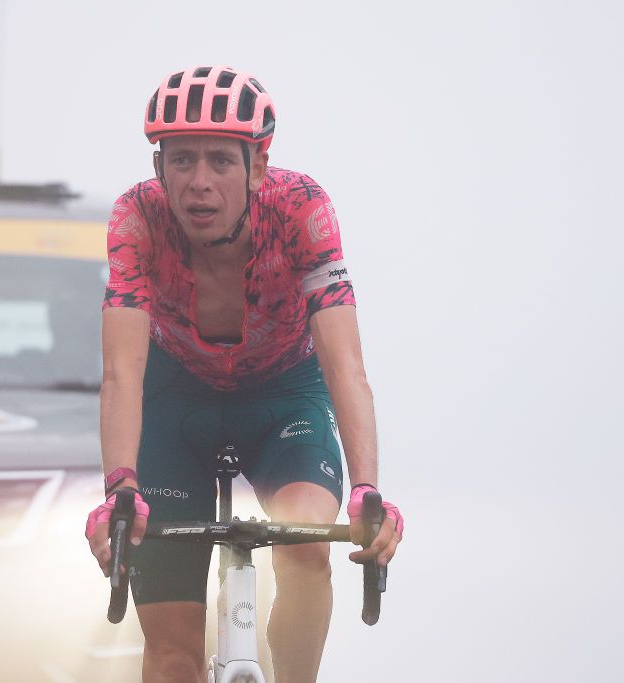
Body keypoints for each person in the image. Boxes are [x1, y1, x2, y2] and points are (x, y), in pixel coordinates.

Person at [86, 65, 404, 683]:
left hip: (284, 398)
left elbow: (345, 363)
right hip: (176, 404)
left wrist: (367, 487)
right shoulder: (135, 218)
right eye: (181, 161)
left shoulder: (302, 209)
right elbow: (123, 372)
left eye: (219, 162)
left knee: (309, 543)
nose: (198, 183)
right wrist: (119, 488)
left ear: (257, 166)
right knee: (173, 654)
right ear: (159, 171)